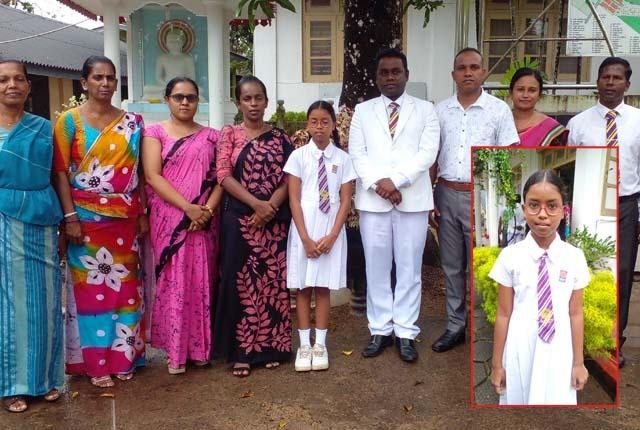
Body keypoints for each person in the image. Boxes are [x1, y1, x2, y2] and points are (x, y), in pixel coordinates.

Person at [52, 56, 147, 388]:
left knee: (127, 292)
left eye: (110, 78)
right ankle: (97, 364)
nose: (105, 83)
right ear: (84, 82)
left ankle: (125, 357)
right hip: (85, 221)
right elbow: (60, 171)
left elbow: (139, 173)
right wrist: (69, 218)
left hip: (125, 220)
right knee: (92, 296)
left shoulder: (132, 123)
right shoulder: (69, 121)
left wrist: (143, 214)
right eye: (98, 77)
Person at [349, 48, 440, 362]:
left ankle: (405, 332)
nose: (390, 77)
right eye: (384, 72)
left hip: (412, 200)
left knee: (409, 269)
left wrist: (397, 181)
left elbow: (427, 153)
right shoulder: (363, 111)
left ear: (406, 75)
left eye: (396, 71)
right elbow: (357, 153)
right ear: (376, 77)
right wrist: (380, 185)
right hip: (373, 202)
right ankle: (379, 329)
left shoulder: (426, 110)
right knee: (375, 268)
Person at [431, 48, 519, 353]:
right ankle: (456, 326)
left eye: (474, 67)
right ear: (453, 74)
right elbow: (433, 156)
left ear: (483, 72)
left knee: (482, 264)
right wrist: (430, 197)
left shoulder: (498, 110)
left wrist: (499, 202)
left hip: (482, 196)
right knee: (452, 265)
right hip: (446, 193)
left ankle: (483, 327)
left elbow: (509, 157)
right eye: (461, 68)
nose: (468, 72)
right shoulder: (440, 111)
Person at [213, 76, 293, 377]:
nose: (253, 104)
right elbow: (223, 174)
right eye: (247, 99)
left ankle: (272, 349)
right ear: (238, 103)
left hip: (273, 221)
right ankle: (242, 353)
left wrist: (270, 206)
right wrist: (256, 204)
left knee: (271, 282)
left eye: (259, 98)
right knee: (241, 283)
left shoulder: (281, 138)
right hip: (239, 220)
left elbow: (290, 176)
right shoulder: (229, 134)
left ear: (267, 101)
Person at [142, 77, 221, 374]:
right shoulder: (154, 133)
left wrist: (206, 211)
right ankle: (175, 353)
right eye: (178, 97)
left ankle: (200, 349)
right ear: (167, 99)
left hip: (204, 220)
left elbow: (220, 178)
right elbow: (153, 176)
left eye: (191, 97)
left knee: (202, 280)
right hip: (170, 217)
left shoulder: (212, 136)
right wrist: (187, 208)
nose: (185, 102)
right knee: (174, 281)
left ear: (198, 100)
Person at [489, 170, 590, 405]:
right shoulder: (510, 256)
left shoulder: (574, 257)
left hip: (559, 350)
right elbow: (503, 313)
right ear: (524, 209)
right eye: (534, 205)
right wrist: (496, 365)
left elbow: (575, 313)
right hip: (520, 346)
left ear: (564, 210)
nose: (543, 214)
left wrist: (578, 362)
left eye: (552, 206)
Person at [566, 56, 640, 368]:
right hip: (587, 204)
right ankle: (583, 338)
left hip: (626, 205)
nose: (610, 83)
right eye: (605, 77)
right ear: (597, 82)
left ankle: (613, 341)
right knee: (586, 272)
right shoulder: (578, 124)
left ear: (627, 84)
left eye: (617, 78)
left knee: (621, 274)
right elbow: (571, 168)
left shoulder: (638, 121)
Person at [0, 60, 63, 412]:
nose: (12, 85)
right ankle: (12, 385)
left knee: (45, 302)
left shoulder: (43, 128)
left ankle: (45, 379)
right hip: (3, 220)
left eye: (18, 79)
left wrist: (68, 218)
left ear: (28, 85)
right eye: (3, 80)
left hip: (42, 220)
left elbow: (57, 175)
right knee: (8, 305)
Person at [285, 101, 356, 372]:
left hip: (330, 230)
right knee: (303, 287)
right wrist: (304, 238)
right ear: (307, 125)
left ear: (333, 124)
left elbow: (346, 199)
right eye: (314, 121)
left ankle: (320, 345)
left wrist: (333, 236)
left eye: (325, 121)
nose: (319, 127)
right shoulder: (298, 157)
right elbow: (293, 199)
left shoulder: (343, 159)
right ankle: (304, 345)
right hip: (304, 228)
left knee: (323, 287)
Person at [510, 68, 567, 146]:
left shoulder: (549, 128)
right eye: (520, 89)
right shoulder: (499, 122)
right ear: (511, 92)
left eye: (532, 90)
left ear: (539, 95)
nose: (525, 95)